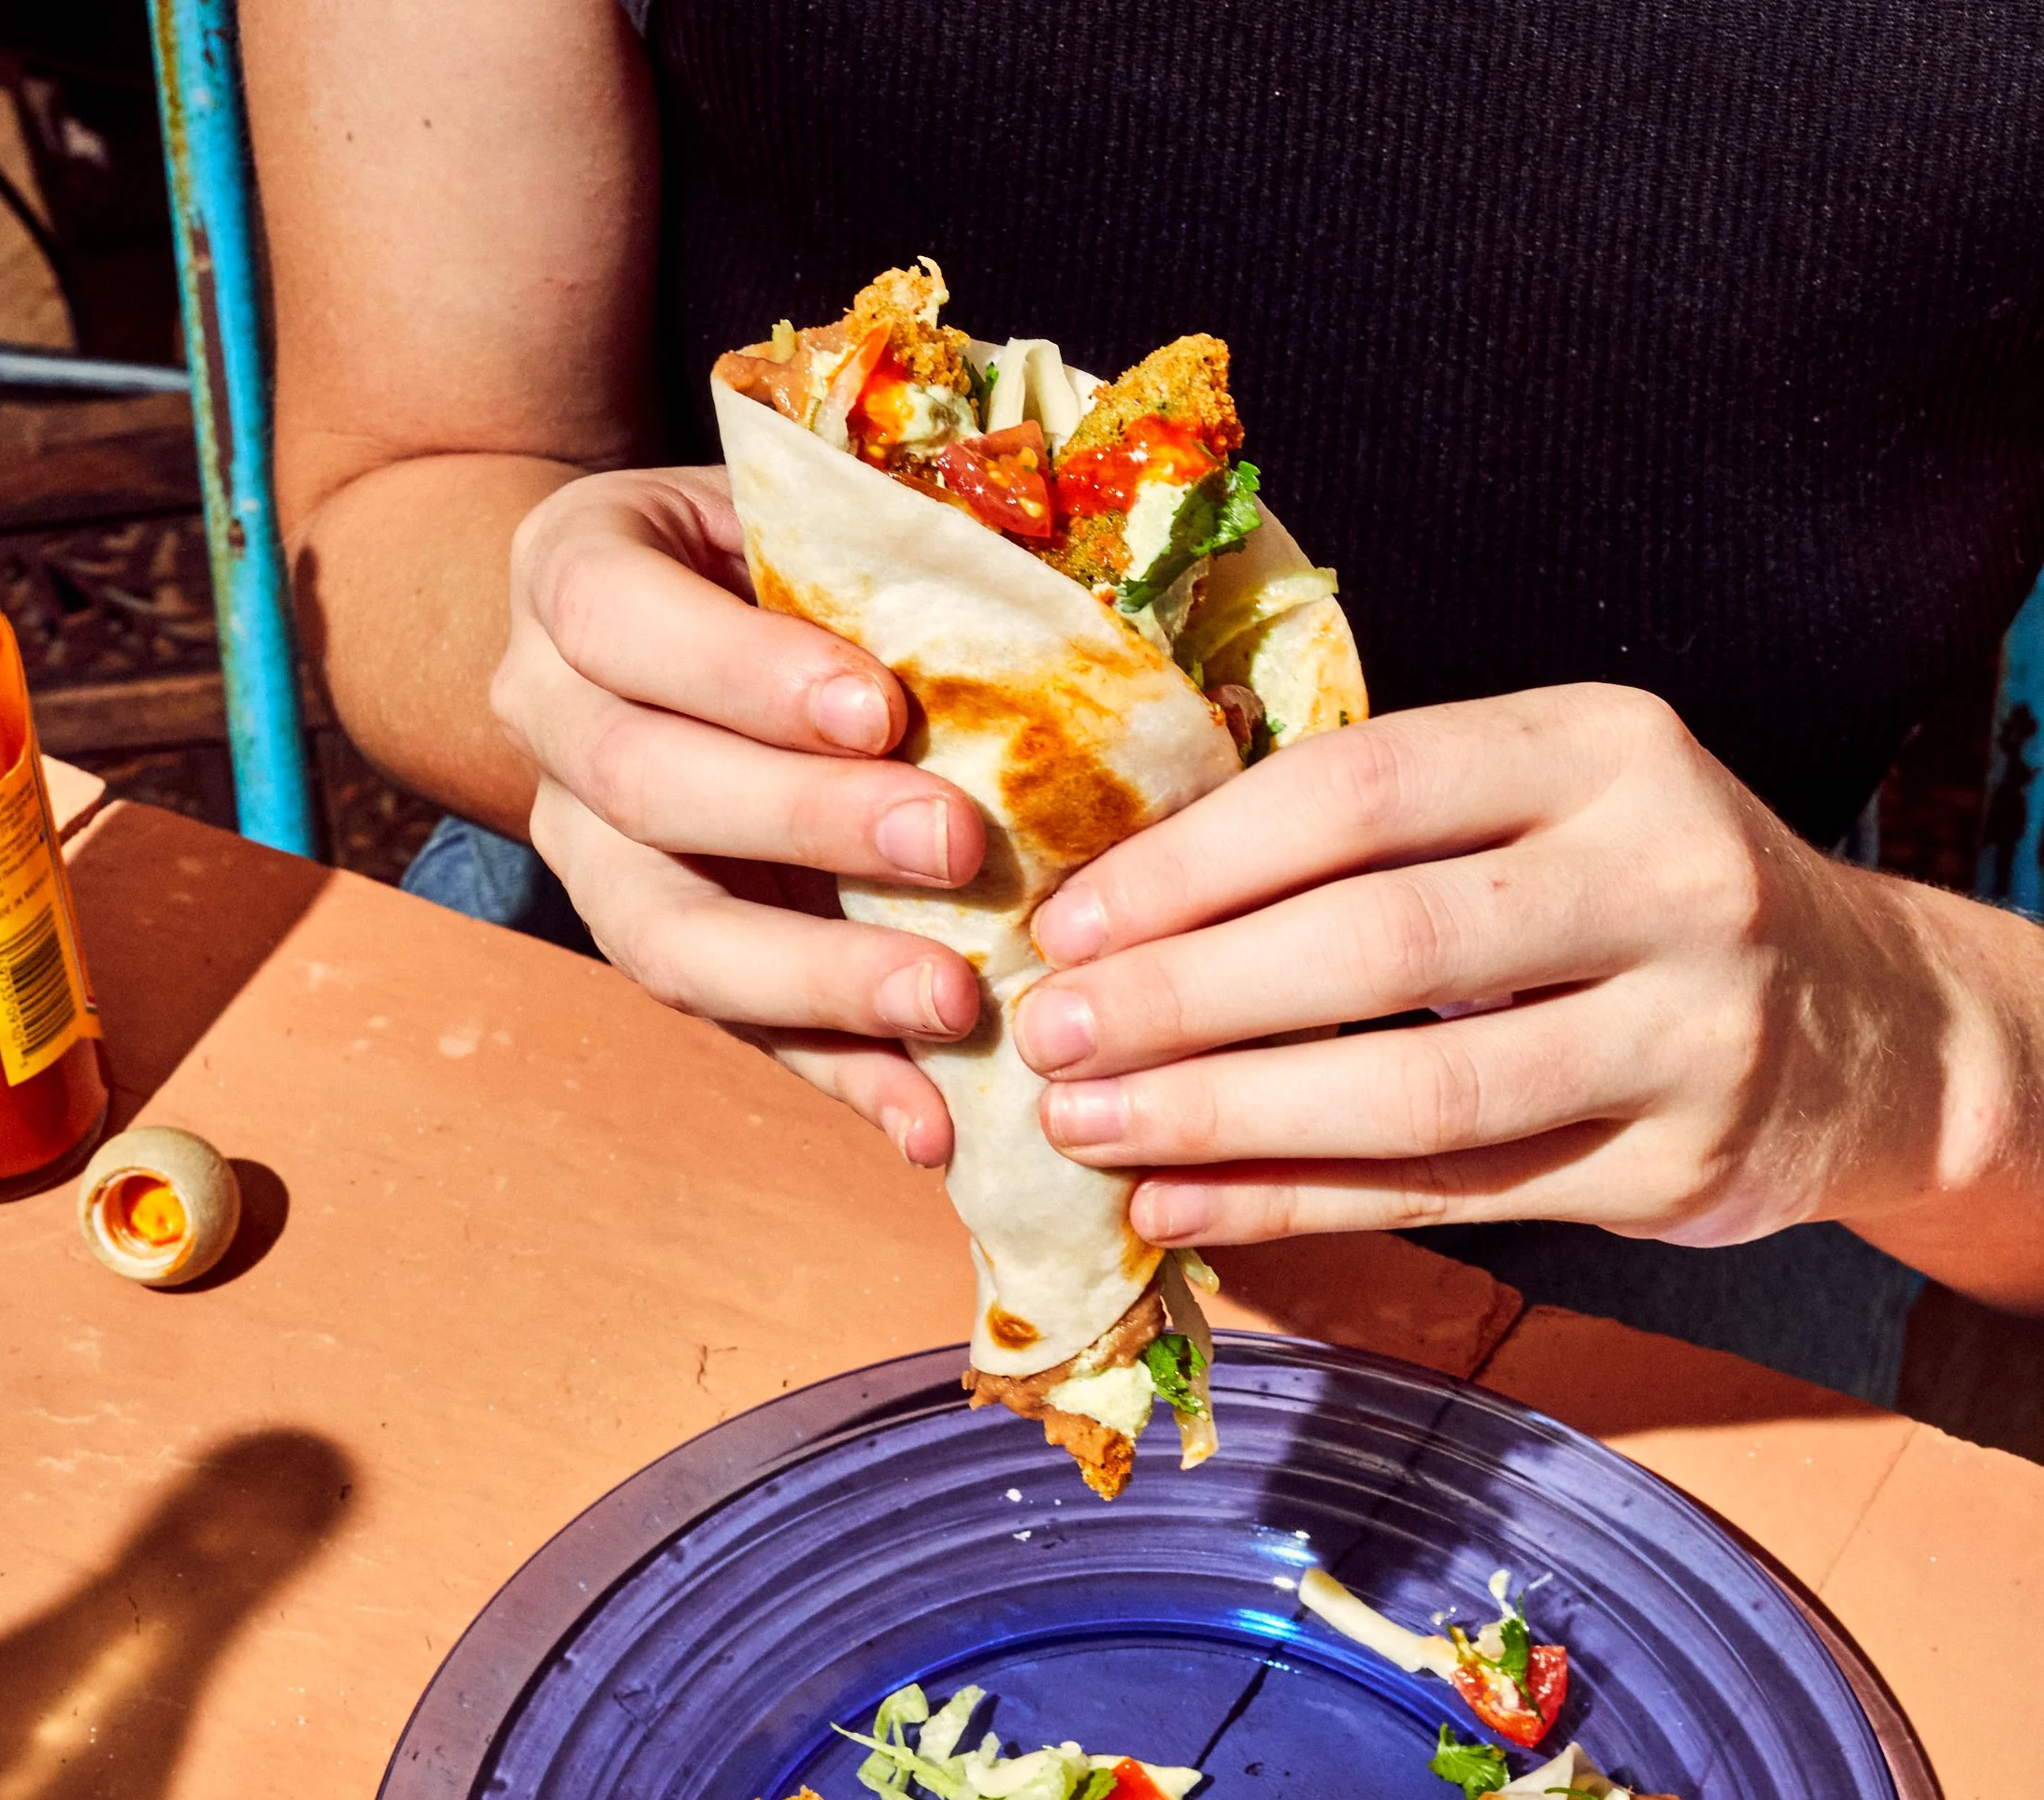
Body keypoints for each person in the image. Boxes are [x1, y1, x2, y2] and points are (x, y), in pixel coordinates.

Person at [244, 0, 2044, 1404]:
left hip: (1711, 1134)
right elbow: (412, 468)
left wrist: (1926, 1050)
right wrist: (606, 687)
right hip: (697, 995)